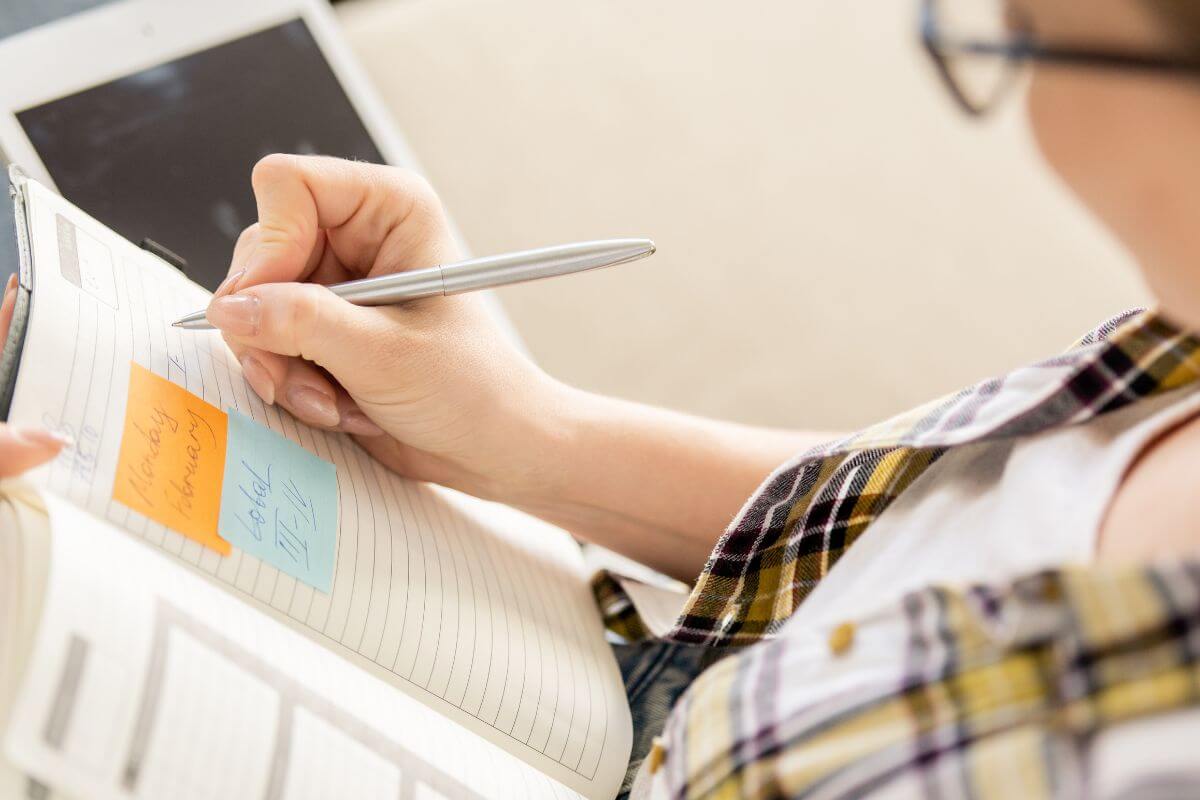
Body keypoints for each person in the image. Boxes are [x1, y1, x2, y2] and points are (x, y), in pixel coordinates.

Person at [6, 0, 1200, 796]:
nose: (1031, 105)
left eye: (1022, 39)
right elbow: (953, 533)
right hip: (592, 669)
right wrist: (528, 433)